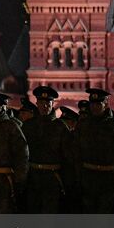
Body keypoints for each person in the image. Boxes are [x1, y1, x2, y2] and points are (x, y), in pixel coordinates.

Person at [72, 89, 114, 214]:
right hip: (88, 176)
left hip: (108, 178)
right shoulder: (83, 125)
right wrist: (78, 176)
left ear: (105, 104)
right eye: (92, 104)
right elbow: (76, 152)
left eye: (98, 104)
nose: (95, 107)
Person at [22, 86, 70, 214]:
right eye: (41, 103)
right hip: (33, 178)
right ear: (36, 103)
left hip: (52, 179)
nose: (44, 106)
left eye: (47, 103)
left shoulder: (60, 127)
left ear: (52, 104)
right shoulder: (28, 126)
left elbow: (68, 156)